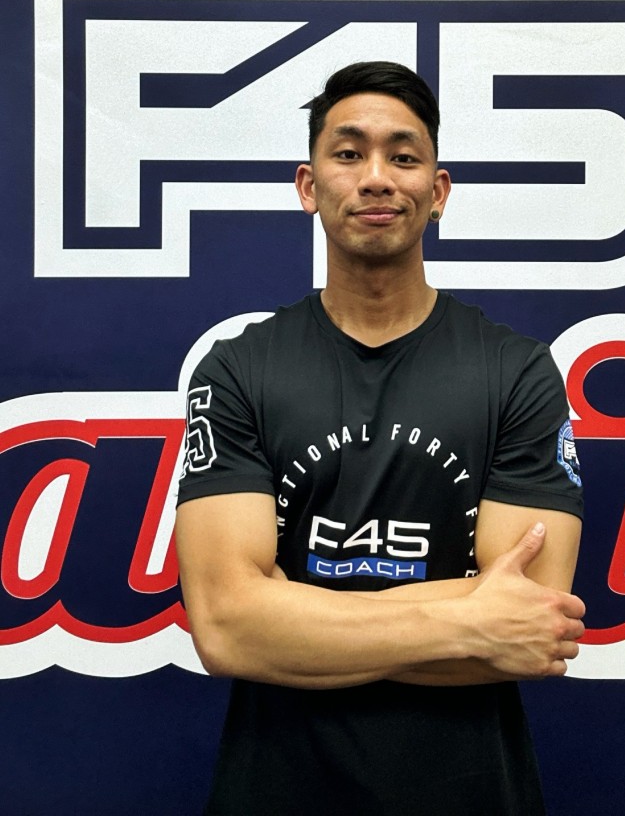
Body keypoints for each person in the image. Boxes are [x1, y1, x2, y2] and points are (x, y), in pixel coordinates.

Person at [176, 61, 585, 815]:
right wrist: (468, 618)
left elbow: (530, 626)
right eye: (348, 153)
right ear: (308, 186)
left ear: (438, 191)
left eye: (403, 156)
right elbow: (228, 628)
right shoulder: (238, 369)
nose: (375, 178)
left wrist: (296, 622)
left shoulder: (516, 371)